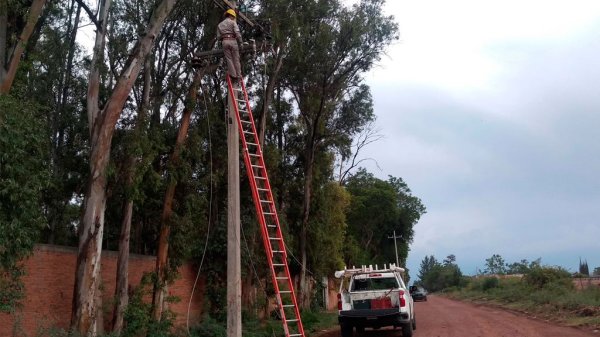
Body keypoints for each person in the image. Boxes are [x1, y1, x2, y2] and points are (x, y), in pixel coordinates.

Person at [217, 9, 244, 81]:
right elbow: (237, 33)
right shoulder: (233, 22)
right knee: (236, 58)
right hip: (233, 41)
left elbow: (218, 37)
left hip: (224, 41)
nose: (233, 18)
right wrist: (241, 42)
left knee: (229, 58)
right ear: (230, 15)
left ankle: (233, 75)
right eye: (233, 17)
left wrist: (224, 36)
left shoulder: (220, 25)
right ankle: (238, 75)